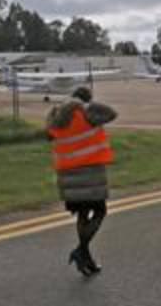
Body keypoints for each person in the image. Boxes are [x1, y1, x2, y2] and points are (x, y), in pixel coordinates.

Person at [46, 86, 117, 276]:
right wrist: (87, 105)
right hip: (89, 173)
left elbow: (48, 135)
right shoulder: (87, 112)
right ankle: (81, 250)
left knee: (83, 214)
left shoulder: (56, 115)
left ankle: (86, 258)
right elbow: (111, 114)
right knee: (100, 211)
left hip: (68, 175)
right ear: (86, 99)